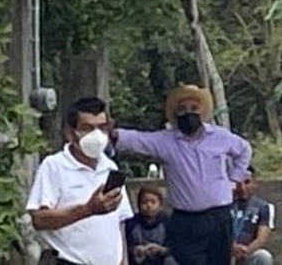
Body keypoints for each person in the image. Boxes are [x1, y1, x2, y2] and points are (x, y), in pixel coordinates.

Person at [112, 85, 253, 265]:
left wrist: (234, 178)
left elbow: (244, 149)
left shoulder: (220, 137)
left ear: (202, 111)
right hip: (186, 220)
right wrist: (114, 134)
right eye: (183, 109)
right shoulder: (166, 141)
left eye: (194, 108)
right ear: (176, 114)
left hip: (218, 216)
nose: (189, 113)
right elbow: (139, 139)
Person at [26, 96, 135, 265]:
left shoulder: (110, 168)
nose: (96, 135)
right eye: (87, 128)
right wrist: (87, 210)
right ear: (70, 132)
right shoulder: (54, 166)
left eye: (101, 128)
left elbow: (119, 224)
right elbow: (39, 219)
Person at [230, 167, 274, 265]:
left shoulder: (263, 207)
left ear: (255, 183)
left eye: (247, 182)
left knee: (263, 257)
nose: (242, 188)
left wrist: (246, 250)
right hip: (226, 251)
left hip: (248, 252)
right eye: (238, 183)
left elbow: (261, 239)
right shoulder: (224, 205)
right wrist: (232, 248)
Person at [125, 185, 177, 265]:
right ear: (138, 205)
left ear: (160, 205)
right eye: (144, 202)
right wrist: (136, 250)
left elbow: (174, 246)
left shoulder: (167, 221)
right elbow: (127, 245)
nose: (149, 206)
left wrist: (161, 250)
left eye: (153, 202)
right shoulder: (132, 223)